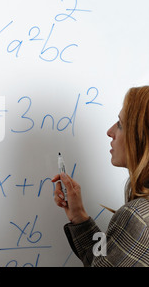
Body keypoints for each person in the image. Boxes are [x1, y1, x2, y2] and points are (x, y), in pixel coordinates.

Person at [52, 86, 149, 267]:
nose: (110, 131)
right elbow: (106, 260)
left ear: (142, 137)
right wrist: (79, 218)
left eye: (120, 124)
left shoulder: (138, 217)